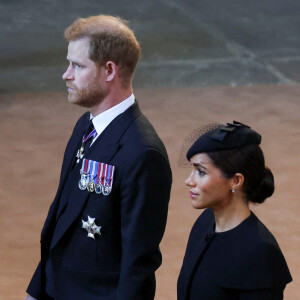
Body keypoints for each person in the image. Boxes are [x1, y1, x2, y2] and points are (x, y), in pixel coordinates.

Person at [25, 15, 172, 300]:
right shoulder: (86, 127)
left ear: (109, 71)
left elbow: (137, 266)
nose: (66, 75)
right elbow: (62, 224)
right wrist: (36, 292)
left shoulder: (142, 154)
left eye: (77, 66)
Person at [177, 121, 292, 300]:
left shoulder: (261, 253)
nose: (189, 181)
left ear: (236, 181)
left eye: (201, 172)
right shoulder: (204, 222)